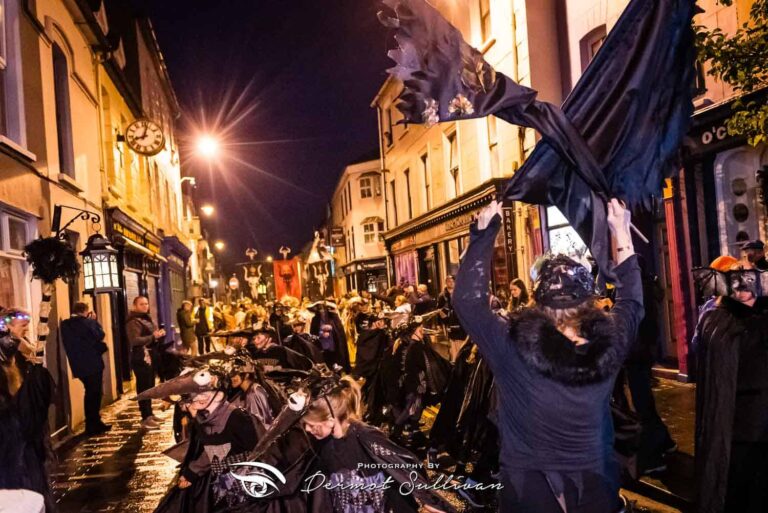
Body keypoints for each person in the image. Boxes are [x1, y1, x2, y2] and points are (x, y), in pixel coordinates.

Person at [453, 199, 642, 512]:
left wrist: (484, 233)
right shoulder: (612, 341)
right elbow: (632, 300)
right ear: (588, 301)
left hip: (529, 491)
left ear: (538, 300)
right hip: (595, 488)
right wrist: (620, 230)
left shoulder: (511, 346)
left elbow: (468, 302)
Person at [300, 376, 450, 513]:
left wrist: (427, 499)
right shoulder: (321, 444)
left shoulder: (366, 437)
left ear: (330, 419)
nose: (307, 429)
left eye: (312, 425)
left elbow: (403, 465)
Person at [694, 262, 768, 513]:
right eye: (737, 280)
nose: (744, 287)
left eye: (749, 279)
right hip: (736, 431)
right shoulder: (717, 320)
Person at [0, 307, 55, 512]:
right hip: (11, 440)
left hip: (24, 436)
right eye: (22, 326)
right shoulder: (7, 352)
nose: (25, 330)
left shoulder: (20, 352)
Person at [60, 302, 111, 435]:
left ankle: (93, 422)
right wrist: (94, 321)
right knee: (94, 394)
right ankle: (93, 424)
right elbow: (100, 335)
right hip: (93, 364)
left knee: (90, 392)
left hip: (78, 365)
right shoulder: (87, 323)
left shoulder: (65, 325)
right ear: (85, 311)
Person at [126, 296, 165, 430]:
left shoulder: (145, 318)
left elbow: (150, 336)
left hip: (150, 356)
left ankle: (150, 414)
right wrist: (153, 336)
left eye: (146, 304)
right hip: (141, 358)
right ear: (135, 306)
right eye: (142, 304)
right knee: (143, 388)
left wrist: (157, 335)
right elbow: (135, 340)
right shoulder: (133, 321)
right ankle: (145, 418)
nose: (145, 306)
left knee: (150, 386)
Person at [437, 275, 467, 362]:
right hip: (450, 321)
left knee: (461, 340)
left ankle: (460, 359)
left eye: (452, 281)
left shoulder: (460, 293)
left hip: (460, 321)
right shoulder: (442, 295)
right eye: (448, 281)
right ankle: (454, 359)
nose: (450, 283)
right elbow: (439, 309)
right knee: (453, 341)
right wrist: (441, 322)